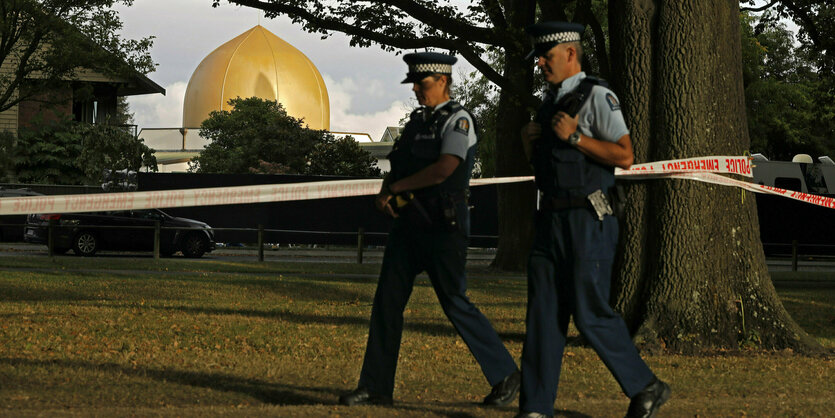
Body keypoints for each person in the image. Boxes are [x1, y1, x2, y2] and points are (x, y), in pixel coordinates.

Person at [339, 52, 520, 408]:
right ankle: (375, 386)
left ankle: (505, 373)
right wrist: (385, 190)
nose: (418, 92)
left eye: (423, 85)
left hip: (443, 224)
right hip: (409, 223)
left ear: (442, 81)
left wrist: (398, 187)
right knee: (387, 303)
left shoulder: (459, 120)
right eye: (415, 86)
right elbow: (398, 163)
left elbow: (445, 169)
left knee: (454, 302)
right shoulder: (416, 122)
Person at [516, 22, 671, 418]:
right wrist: (530, 147)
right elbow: (548, 170)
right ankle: (535, 408)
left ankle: (646, 385)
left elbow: (624, 155)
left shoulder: (598, 96)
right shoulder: (549, 105)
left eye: (546, 56)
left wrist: (576, 138)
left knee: (589, 312)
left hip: (588, 219)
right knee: (544, 314)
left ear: (570, 54)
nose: (540, 63)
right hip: (551, 221)